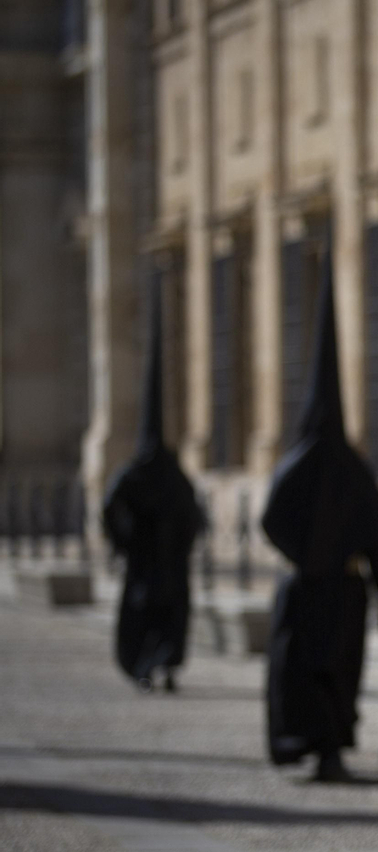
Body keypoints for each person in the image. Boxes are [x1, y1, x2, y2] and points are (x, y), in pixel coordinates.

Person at [261, 257, 378, 782]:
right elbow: (377, 535)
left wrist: (300, 555)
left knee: (304, 672)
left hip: (306, 589)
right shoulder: (356, 472)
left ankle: (312, 745)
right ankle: (331, 748)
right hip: (343, 588)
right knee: (337, 672)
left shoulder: (293, 467)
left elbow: (271, 520)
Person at [102, 273, 206, 694]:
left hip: (153, 560)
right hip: (157, 560)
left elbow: (111, 507)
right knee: (160, 614)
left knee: (156, 614)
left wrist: (126, 541)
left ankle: (157, 664)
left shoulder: (137, 474)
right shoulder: (168, 475)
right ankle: (157, 664)